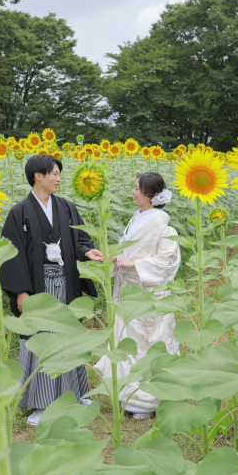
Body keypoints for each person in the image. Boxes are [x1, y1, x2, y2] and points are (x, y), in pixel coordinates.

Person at [0, 155, 104, 425]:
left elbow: (79, 239)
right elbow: (12, 254)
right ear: (38, 176)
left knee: (69, 335)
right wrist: (20, 291)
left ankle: (76, 394)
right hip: (37, 287)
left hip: (65, 283)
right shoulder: (19, 212)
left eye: (59, 173)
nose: (58, 178)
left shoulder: (66, 208)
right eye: (54, 173)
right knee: (43, 339)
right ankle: (41, 405)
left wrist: (86, 251)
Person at [95, 172, 181, 419]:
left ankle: (147, 399)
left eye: (136, 188)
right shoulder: (138, 217)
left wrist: (135, 264)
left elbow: (168, 260)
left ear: (150, 194)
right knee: (128, 340)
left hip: (148, 291)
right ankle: (128, 395)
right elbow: (129, 251)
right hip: (128, 290)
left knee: (148, 343)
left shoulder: (162, 225)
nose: (132, 192)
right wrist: (116, 259)